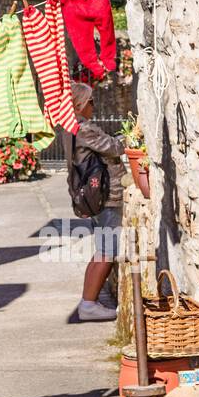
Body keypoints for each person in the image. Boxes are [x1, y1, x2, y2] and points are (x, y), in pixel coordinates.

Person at [68, 80, 128, 323]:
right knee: (107, 251)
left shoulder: (71, 128)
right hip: (107, 196)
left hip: (93, 198)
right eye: (91, 101)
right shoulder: (84, 128)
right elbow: (114, 148)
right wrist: (128, 139)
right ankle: (89, 303)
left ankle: (91, 298)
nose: (94, 106)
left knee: (102, 249)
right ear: (80, 105)